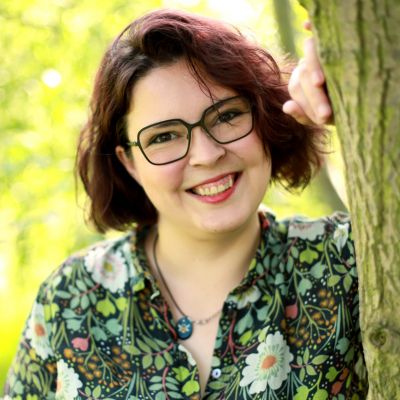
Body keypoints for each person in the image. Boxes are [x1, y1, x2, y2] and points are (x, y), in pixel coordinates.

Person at [3, 9, 368, 400]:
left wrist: (354, 83)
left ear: (263, 116)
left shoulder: (347, 261)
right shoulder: (70, 299)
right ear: (129, 162)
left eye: (226, 116)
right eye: (164, 137)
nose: (207, 155)